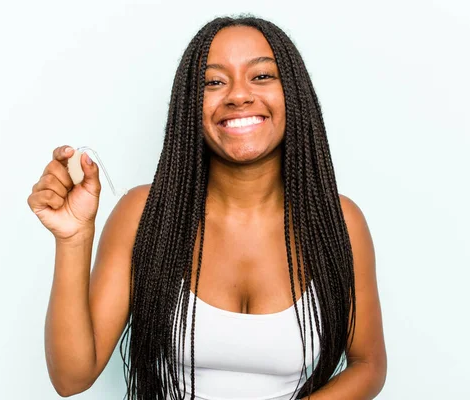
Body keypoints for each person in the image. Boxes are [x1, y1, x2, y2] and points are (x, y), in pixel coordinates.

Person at [27, 15, 386, 400]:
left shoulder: (339, 222)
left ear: (293, 94)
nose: (238, 95)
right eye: (213, 82)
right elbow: (71, 378)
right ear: (189, 107)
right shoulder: (144, 214)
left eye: (261, 76)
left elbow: (368, 364)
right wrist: (73, 239)